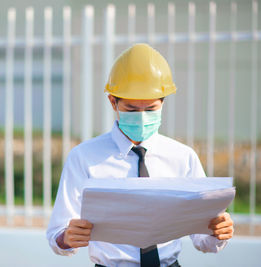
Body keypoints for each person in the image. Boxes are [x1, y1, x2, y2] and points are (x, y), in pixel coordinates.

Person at [46, 43, 234, 267]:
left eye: (151, 109)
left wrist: (217, 231)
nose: (142, 117)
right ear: (112, 101)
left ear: (163, 102)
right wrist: (67, 238)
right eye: (132, 110)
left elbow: (204, 241)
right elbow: (57, 235)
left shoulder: (183, 157)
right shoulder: (84, 157)